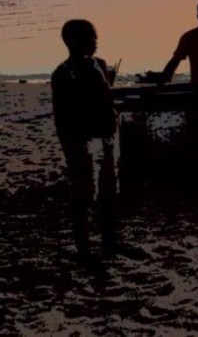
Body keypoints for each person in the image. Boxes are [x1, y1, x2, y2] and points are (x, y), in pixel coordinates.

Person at [50, 19, 118, 258]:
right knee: (84, 193)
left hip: (102, 135)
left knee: (107, 191)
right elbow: (63, 113)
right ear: (73, 42)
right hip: (82, 137)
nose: (95, 41)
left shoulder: (97, 64)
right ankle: (84, 245)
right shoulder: (65, 73)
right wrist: (68, 143)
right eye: (91, 37)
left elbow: (105, 97)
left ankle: (107, 242)